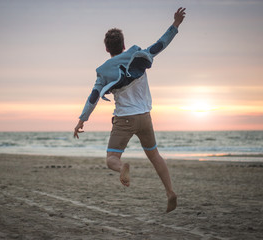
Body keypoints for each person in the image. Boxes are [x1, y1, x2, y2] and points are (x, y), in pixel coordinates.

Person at [74, 7, 186, 213]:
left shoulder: (104, 70)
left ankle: (121, 168)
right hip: (145, 117)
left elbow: (93, 98)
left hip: (124, 119)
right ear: (124, 45)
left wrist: (82, 120)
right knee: (155, 156)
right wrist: (175, 25)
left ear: (107, 49)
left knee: (111, 159)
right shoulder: (138, 55)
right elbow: (161, 44)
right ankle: (170, 191)